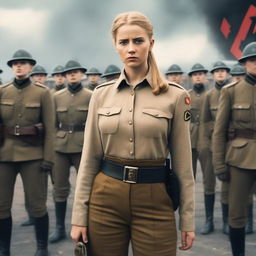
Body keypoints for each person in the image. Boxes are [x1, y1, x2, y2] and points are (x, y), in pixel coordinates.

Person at [71, 11, 195, 256]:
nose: (131, 48)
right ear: (115, 46)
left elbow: (183, 164)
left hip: (154, 199)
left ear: (151, 43)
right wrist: (78, 215)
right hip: (105, 198)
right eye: (123, 42)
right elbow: (89, 159)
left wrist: (188, 219)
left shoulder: (175, 96)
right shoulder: (101, 94)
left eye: (138, 41)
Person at [0, 49, 54, 256]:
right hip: (4, 156)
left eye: (23, 63)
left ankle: (42, 248)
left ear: (31, 67)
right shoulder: (2, 91)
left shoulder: (42, 93)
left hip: (33, 156)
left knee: (37, 204)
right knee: (2, 206)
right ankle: (4, 248)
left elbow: (49, 129)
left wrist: (48, 159)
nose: (19, 66)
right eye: (15, 64)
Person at [213, 42, 256, 256]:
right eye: (252, 60)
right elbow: (219, 132)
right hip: (240, 159)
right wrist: (219, 164)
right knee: (237, 215)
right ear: (245, 63)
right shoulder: (231, 91)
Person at [49, 60, 92, 243]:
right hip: (60, 147)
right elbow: (51, 125)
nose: (72, 75)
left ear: (82, 74)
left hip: (83, 147)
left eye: (76, 72)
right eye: (69, 72)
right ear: (65, 76)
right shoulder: (56, 97)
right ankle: (59, 227)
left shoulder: (91, 96)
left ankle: (87, 227)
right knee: (59, 188)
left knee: (87, 188)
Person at [200, 61, 231, 235]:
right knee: (209, 183)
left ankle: (227, 221)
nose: (220, 74)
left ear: (227, 73)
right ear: (212, 75)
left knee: (227, 184)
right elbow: (205, 121)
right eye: (217, 71)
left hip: (229, 145)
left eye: (223, 71)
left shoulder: (233, 91)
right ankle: (209, 220)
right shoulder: (209, 95)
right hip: (211, 145)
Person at [188, 63, 208, 179]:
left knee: (208, 173)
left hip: (206, 137)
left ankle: (208, 196)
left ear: (205, 76)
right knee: (190, 173)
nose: (198, 77)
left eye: (200, 74)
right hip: (191, 137)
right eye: (195, 74)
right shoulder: (187, 95)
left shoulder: (210, 95)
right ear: (191, 77)